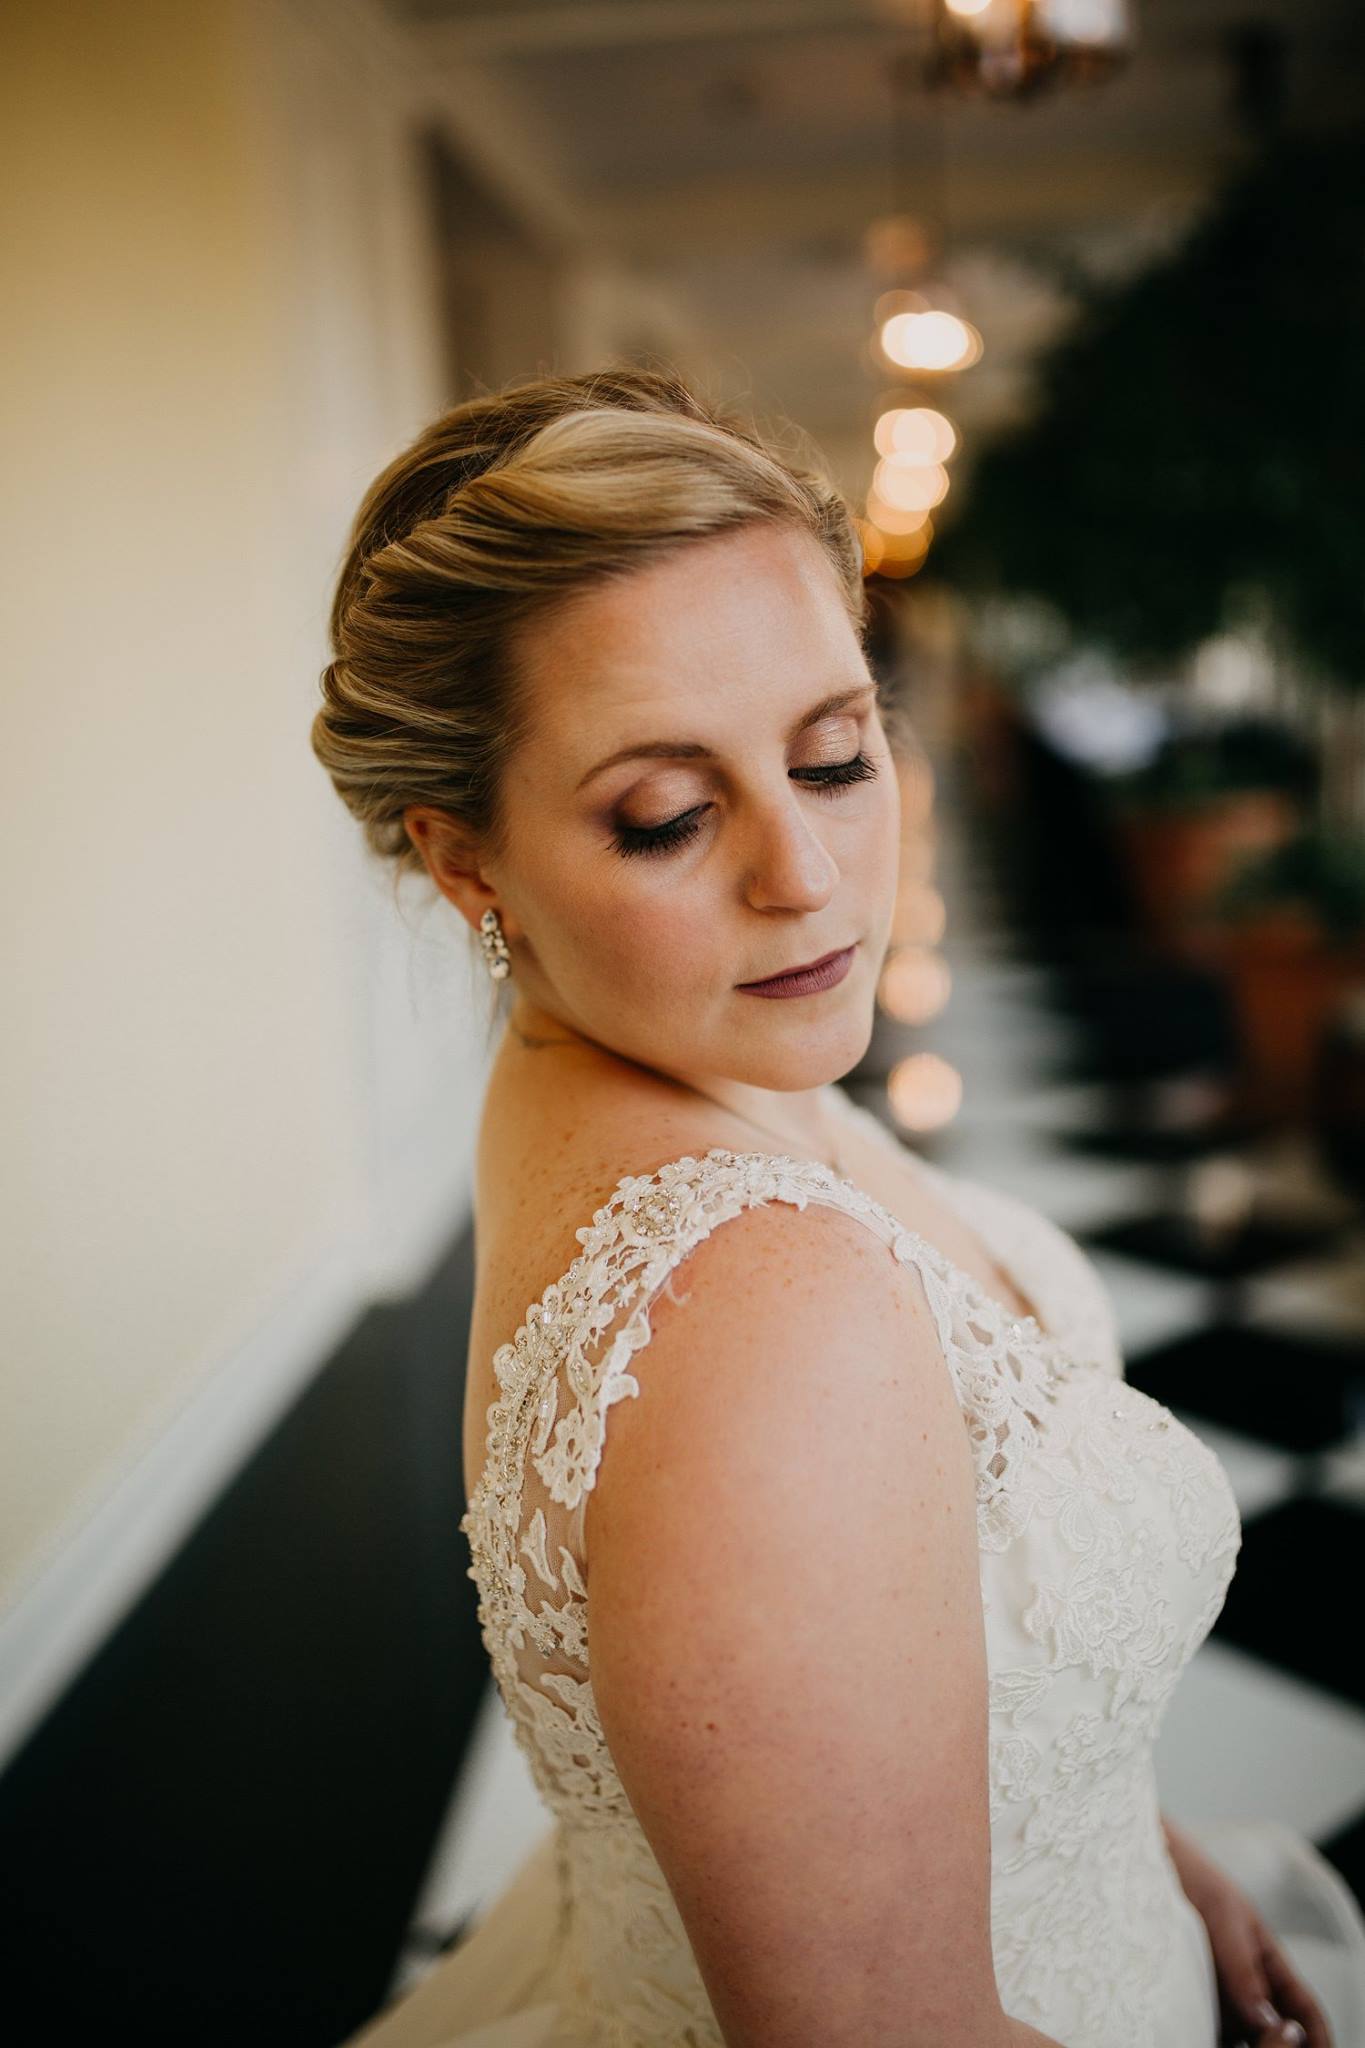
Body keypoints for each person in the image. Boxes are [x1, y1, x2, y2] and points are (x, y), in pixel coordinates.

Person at [312, 366, 1361, 2048]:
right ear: (464, 861)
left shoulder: (633, 1058)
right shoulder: (757, 1308)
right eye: (661, 815)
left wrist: (1107, 1842)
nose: (800, 876)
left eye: (832, 753)